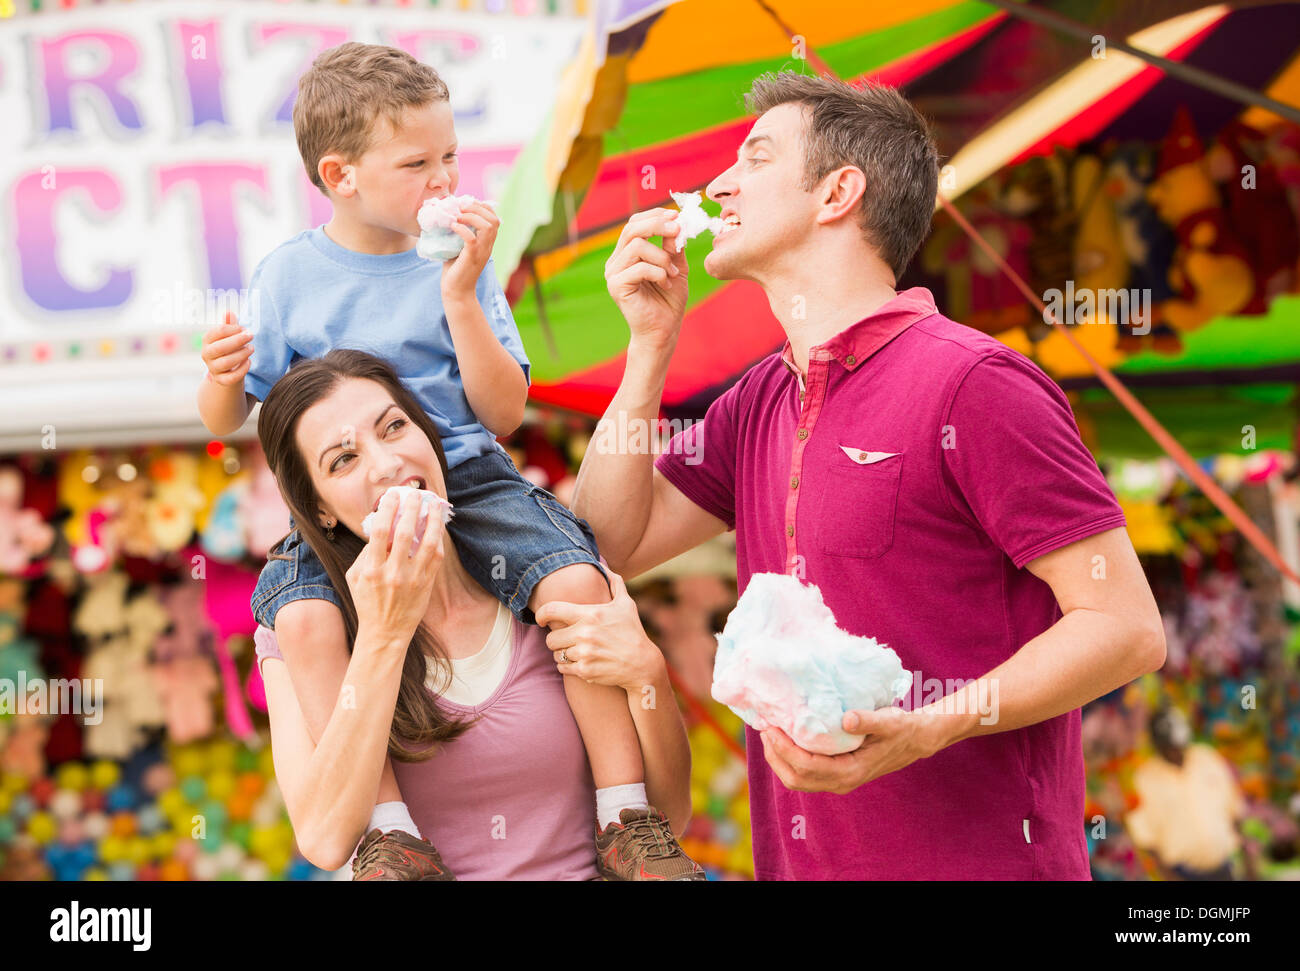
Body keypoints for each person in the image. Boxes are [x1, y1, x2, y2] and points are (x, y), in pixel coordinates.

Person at [565, 71, 1167, 879]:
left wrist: (930, 725)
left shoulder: (975, 383)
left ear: (838, 192)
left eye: (757, 157)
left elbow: (1126, 628)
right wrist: (647, 351)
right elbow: (605, 541)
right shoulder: (758, 398)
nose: (720, 183)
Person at [197, 42, 701, 880]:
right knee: (304, 617)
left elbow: (504, 412)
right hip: (345, 519)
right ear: (341, 174)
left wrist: (461, 296)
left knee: (577, 579)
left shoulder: (460, 262)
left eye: (451, 158)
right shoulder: (288, 274)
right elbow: (230, 415)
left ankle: (627, 821)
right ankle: (390, 837)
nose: (444, 180)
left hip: (468, 476)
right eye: (417, 163)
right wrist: (216, 381)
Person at [252, 349, 696, 879]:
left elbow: (670, 817)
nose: (387, 464)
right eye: (342, 460)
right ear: (320, 508)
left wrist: (649, 673)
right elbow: (325, 840)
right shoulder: (300, 630)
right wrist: (384, 636)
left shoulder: (553, 587)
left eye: (394, 427)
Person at [1126, 705, 1250, 880]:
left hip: (1225, 867)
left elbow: (1235, 810)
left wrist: (1249, 861)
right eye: (1169, 748)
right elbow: (1145, 838)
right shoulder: (1144, 779)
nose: (1175, 751)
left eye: (1178, 745)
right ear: (1158, 746)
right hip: (1182, 874)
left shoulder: (1207, 758)